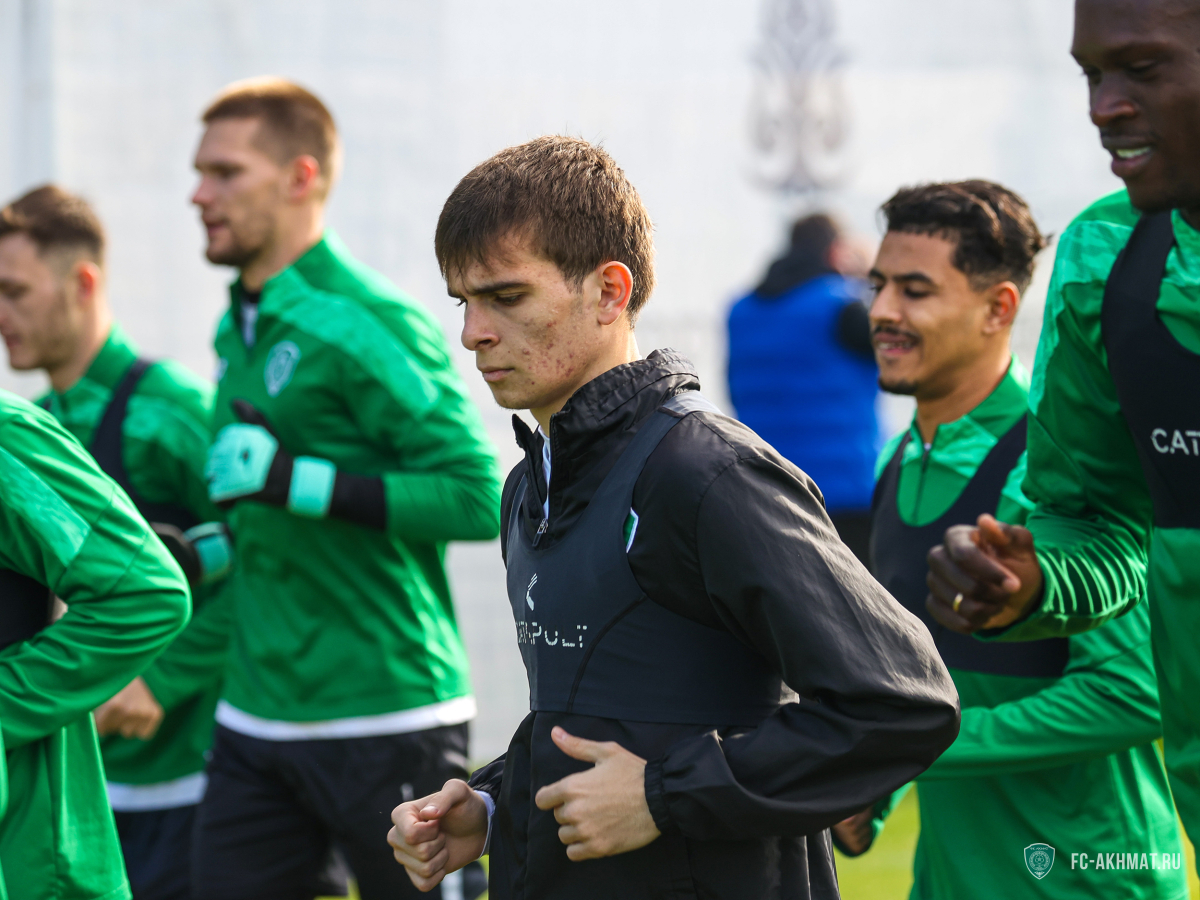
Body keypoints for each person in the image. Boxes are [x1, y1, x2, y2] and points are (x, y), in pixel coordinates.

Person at [386, 135, 960, 900]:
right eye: (464, 302)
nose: (472, 334)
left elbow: (903, 703)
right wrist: (492, 806)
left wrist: (664, 795)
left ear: (609, 292)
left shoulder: (707, 473)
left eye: (507, 297)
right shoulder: (529, 484)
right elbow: (598, 720)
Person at [188, 77, 499, 900]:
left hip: (387, 714)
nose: (199, 194)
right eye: (199, 173)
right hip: (254, 714)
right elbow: (261, 518)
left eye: (225, 172)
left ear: (301, 177)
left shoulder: (367, 318)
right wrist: (197, 551)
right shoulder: (237, 325)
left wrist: (296, 480)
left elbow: (476, 495)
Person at [832, 180, 1185, 897]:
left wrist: (912, 750)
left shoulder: (1062, 465)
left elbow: (1133, 694)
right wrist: (875, 795)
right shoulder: (896, 462)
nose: (883, 311)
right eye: (878, 286)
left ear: (999, 308)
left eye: (915, 291)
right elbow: (934, 678)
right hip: (948, 880)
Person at [925, 0, 1200, 864]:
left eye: (1143, 69)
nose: (1103, 106)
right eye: (1092, 74)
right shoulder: (1107, 263)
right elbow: (1097, 521)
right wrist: (1034, 580)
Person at [0, 185, 233, 900]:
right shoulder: (36, 422)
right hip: (74, 773)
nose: (0, 314)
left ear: (82, 282)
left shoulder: (172, 409)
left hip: (181, 772)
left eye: (14, 291)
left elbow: (269, 561)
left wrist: (161, 679)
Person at [0, 319, 190, 896]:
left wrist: (164, 680)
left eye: (15, 291)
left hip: (31, 855)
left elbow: (148, 593)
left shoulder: (11, 436)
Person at [727, 213, 879, 563]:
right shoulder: (843, 307)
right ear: (836, 253)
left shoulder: (741, 311)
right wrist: (867, 277)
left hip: (769, 488)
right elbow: (897, 342)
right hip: (846, 494)